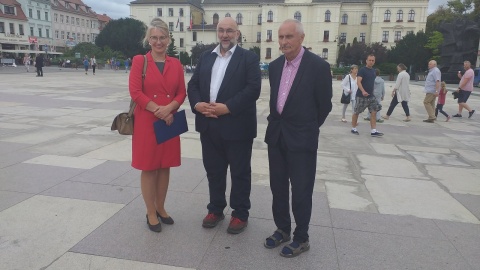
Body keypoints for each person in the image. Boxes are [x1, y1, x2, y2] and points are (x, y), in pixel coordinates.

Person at [263, 19, 332, 258]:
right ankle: (283, 229)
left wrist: (307, 128)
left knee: (301, 190)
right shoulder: (274, 67)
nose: (283, 42)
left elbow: (324, 106)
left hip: (302, 139)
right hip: (277, 137)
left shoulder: (318, 67)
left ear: (301, 38)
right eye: (280, 37)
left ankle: (302, 237)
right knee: (278, 187)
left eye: (289, 37)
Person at [187, 17, 261, 235]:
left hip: (237, 126)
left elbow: (252, 89)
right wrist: (198, 104)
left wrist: (227, 107)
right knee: (214, 171)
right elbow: (193, 85)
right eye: (221, 31)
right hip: (209, 125)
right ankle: (216, 209)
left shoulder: (248, 58)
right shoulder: (206, 57)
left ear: (237, 33)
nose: (225, 35)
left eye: (230, 31)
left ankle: (240, 213)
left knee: (239, 172)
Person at [129, 18, 186, 232]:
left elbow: (182, 92)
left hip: (169, 120)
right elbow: (135, 92)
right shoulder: (139, 61)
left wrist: (170, 108)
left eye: (162, 37)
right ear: (148, 39)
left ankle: (161, 207)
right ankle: (150, 211)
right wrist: (159, 110)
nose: (158, 42)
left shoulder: (176, 64)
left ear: (169, 40)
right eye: (154, 37)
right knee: (149, 167)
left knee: (165, 166)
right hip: (147, 121)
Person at [351, 54, 383, 136]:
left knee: (374, 111)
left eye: (373, 60)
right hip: (361, 96)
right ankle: (353, 128)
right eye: (370, 60)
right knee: (357, 112)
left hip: (371, 96)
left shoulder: (373, 71)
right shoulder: (362, 70)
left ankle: (373, 130)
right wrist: (363, 91)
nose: (371, 62)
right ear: (366, 61)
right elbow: (358, 81)